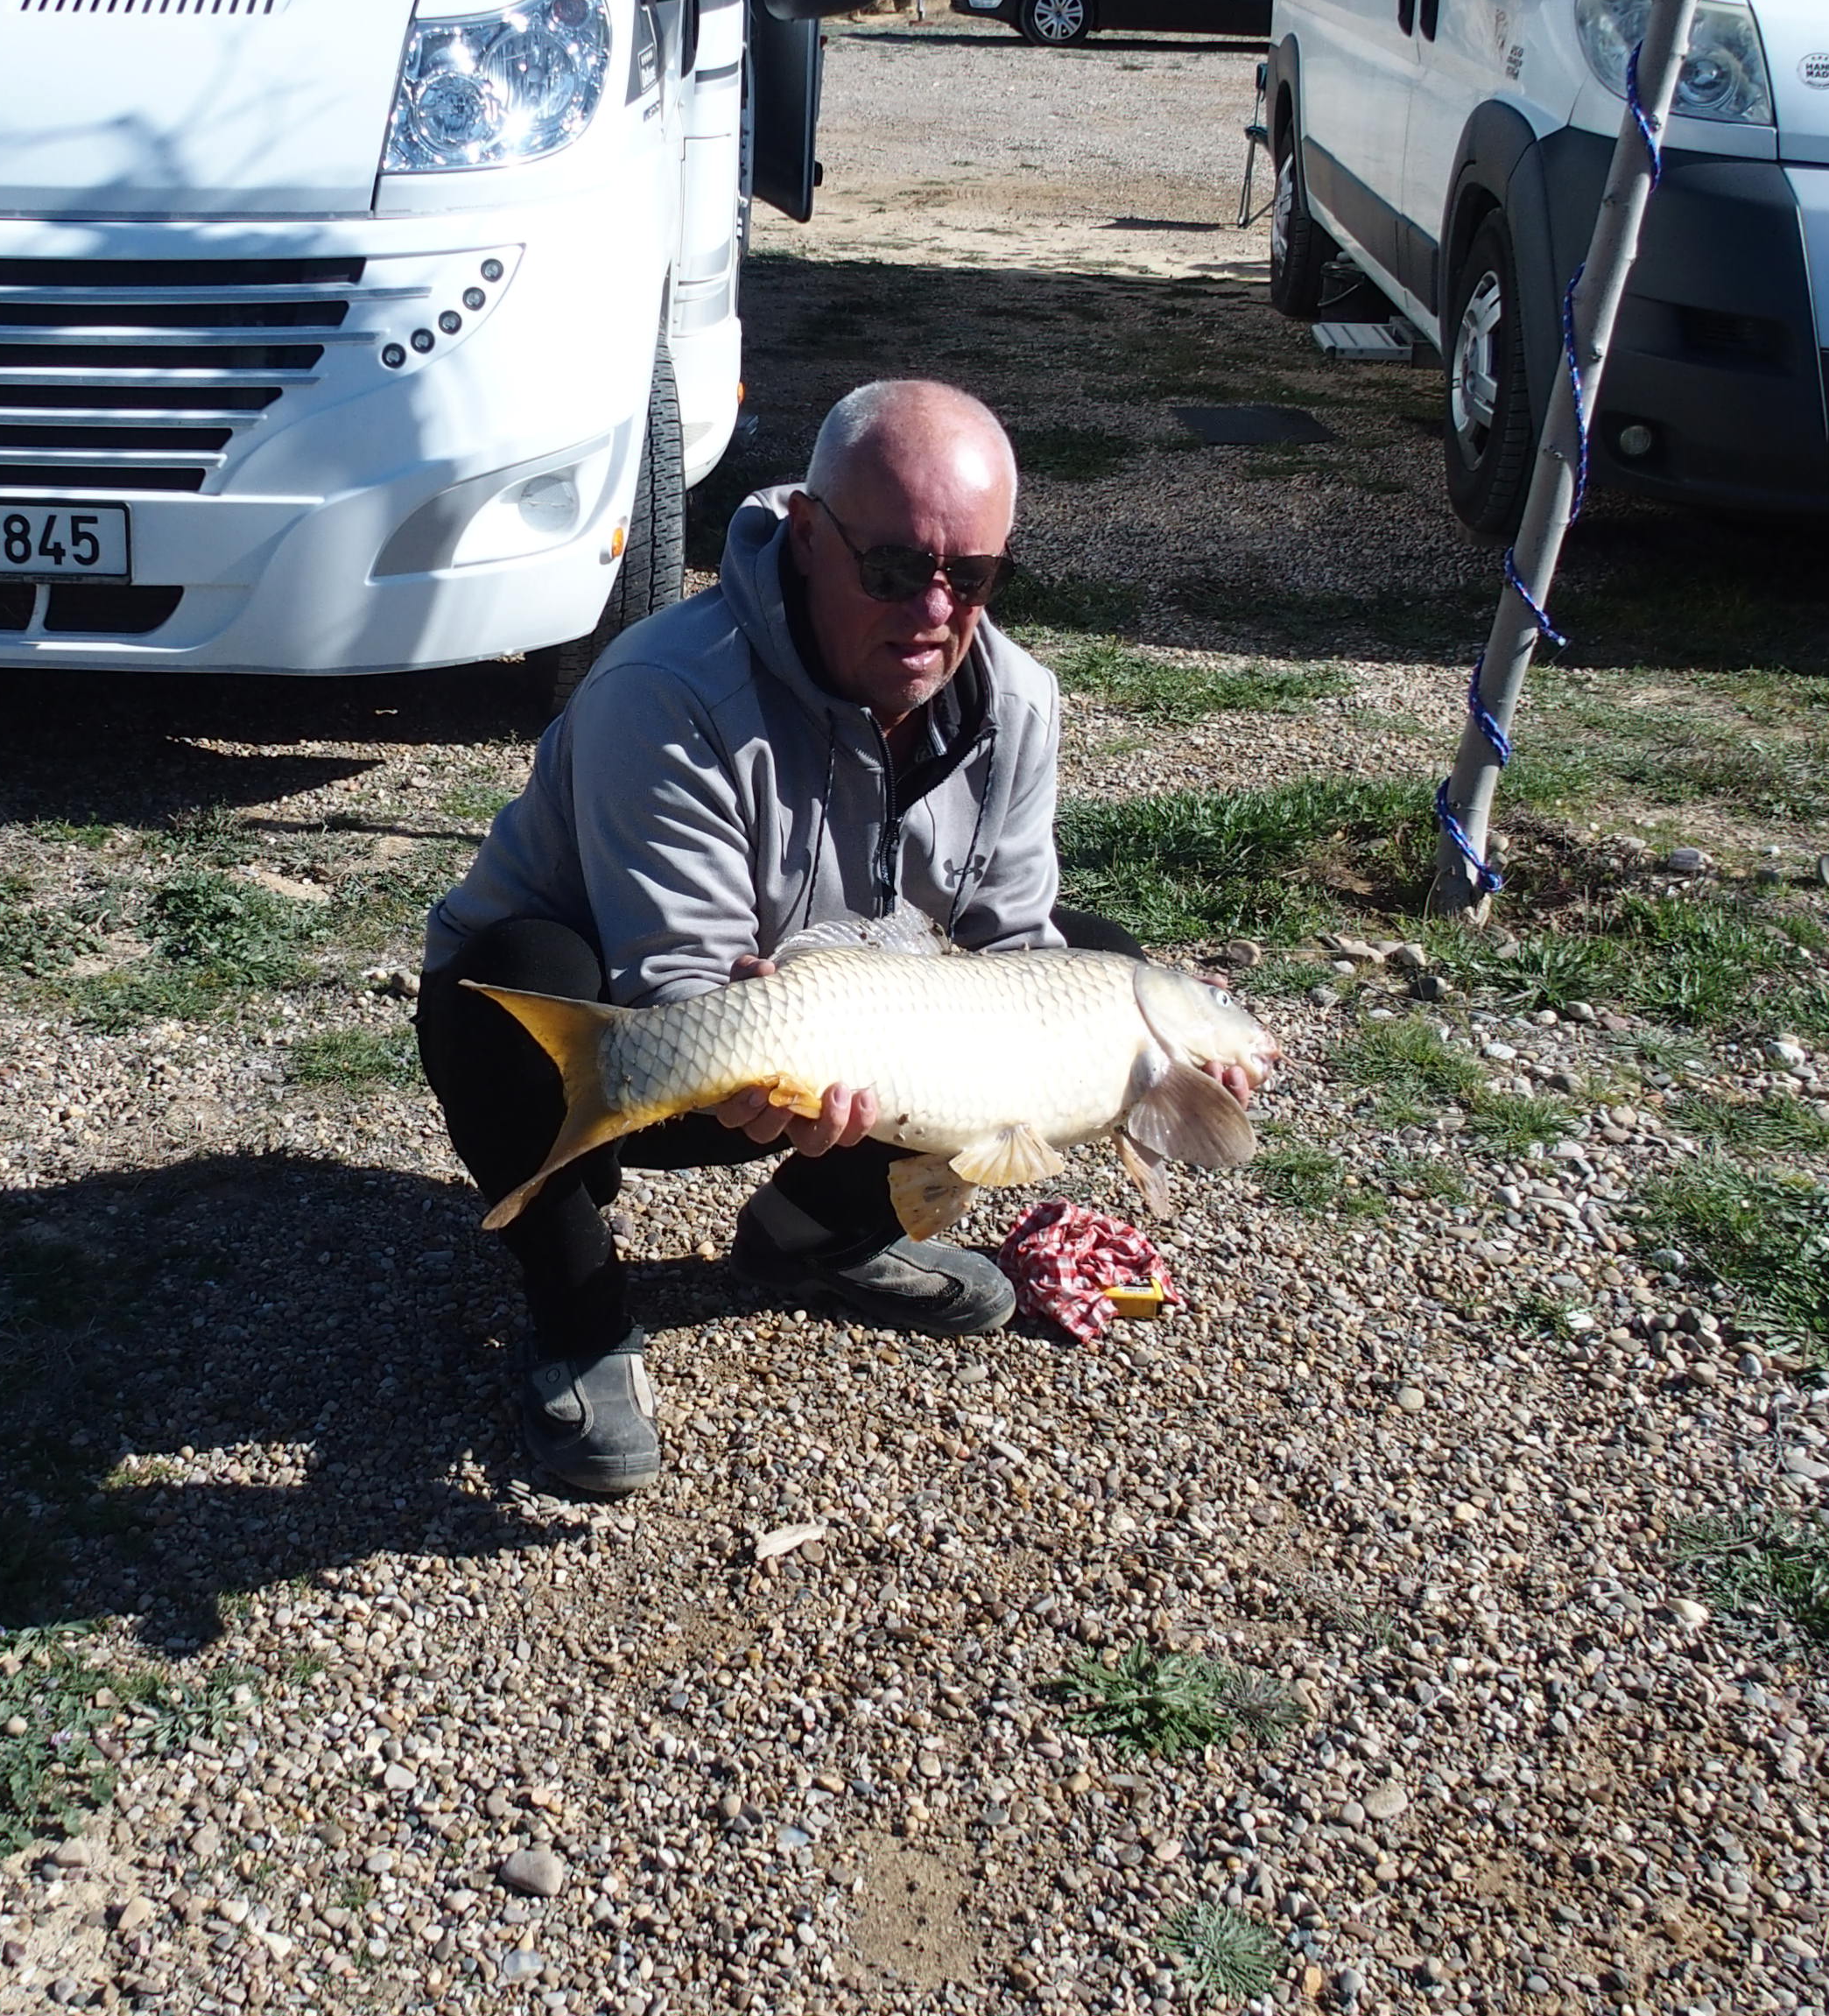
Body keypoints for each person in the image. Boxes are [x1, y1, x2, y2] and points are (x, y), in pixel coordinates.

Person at [419, 380, 1225, 1499]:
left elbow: (1015, 951)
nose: (934, 609)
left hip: (834, 1044)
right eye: (892, 569)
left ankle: (815, 1235)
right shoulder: (663, 688)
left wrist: (1142, 1075)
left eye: (972, 578)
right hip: (614, 1031)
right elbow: (678, 977)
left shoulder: (1019, 701)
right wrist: (766, 1064)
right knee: (509, 978)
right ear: (805, 536)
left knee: (1094, 968)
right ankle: (577, 1316)